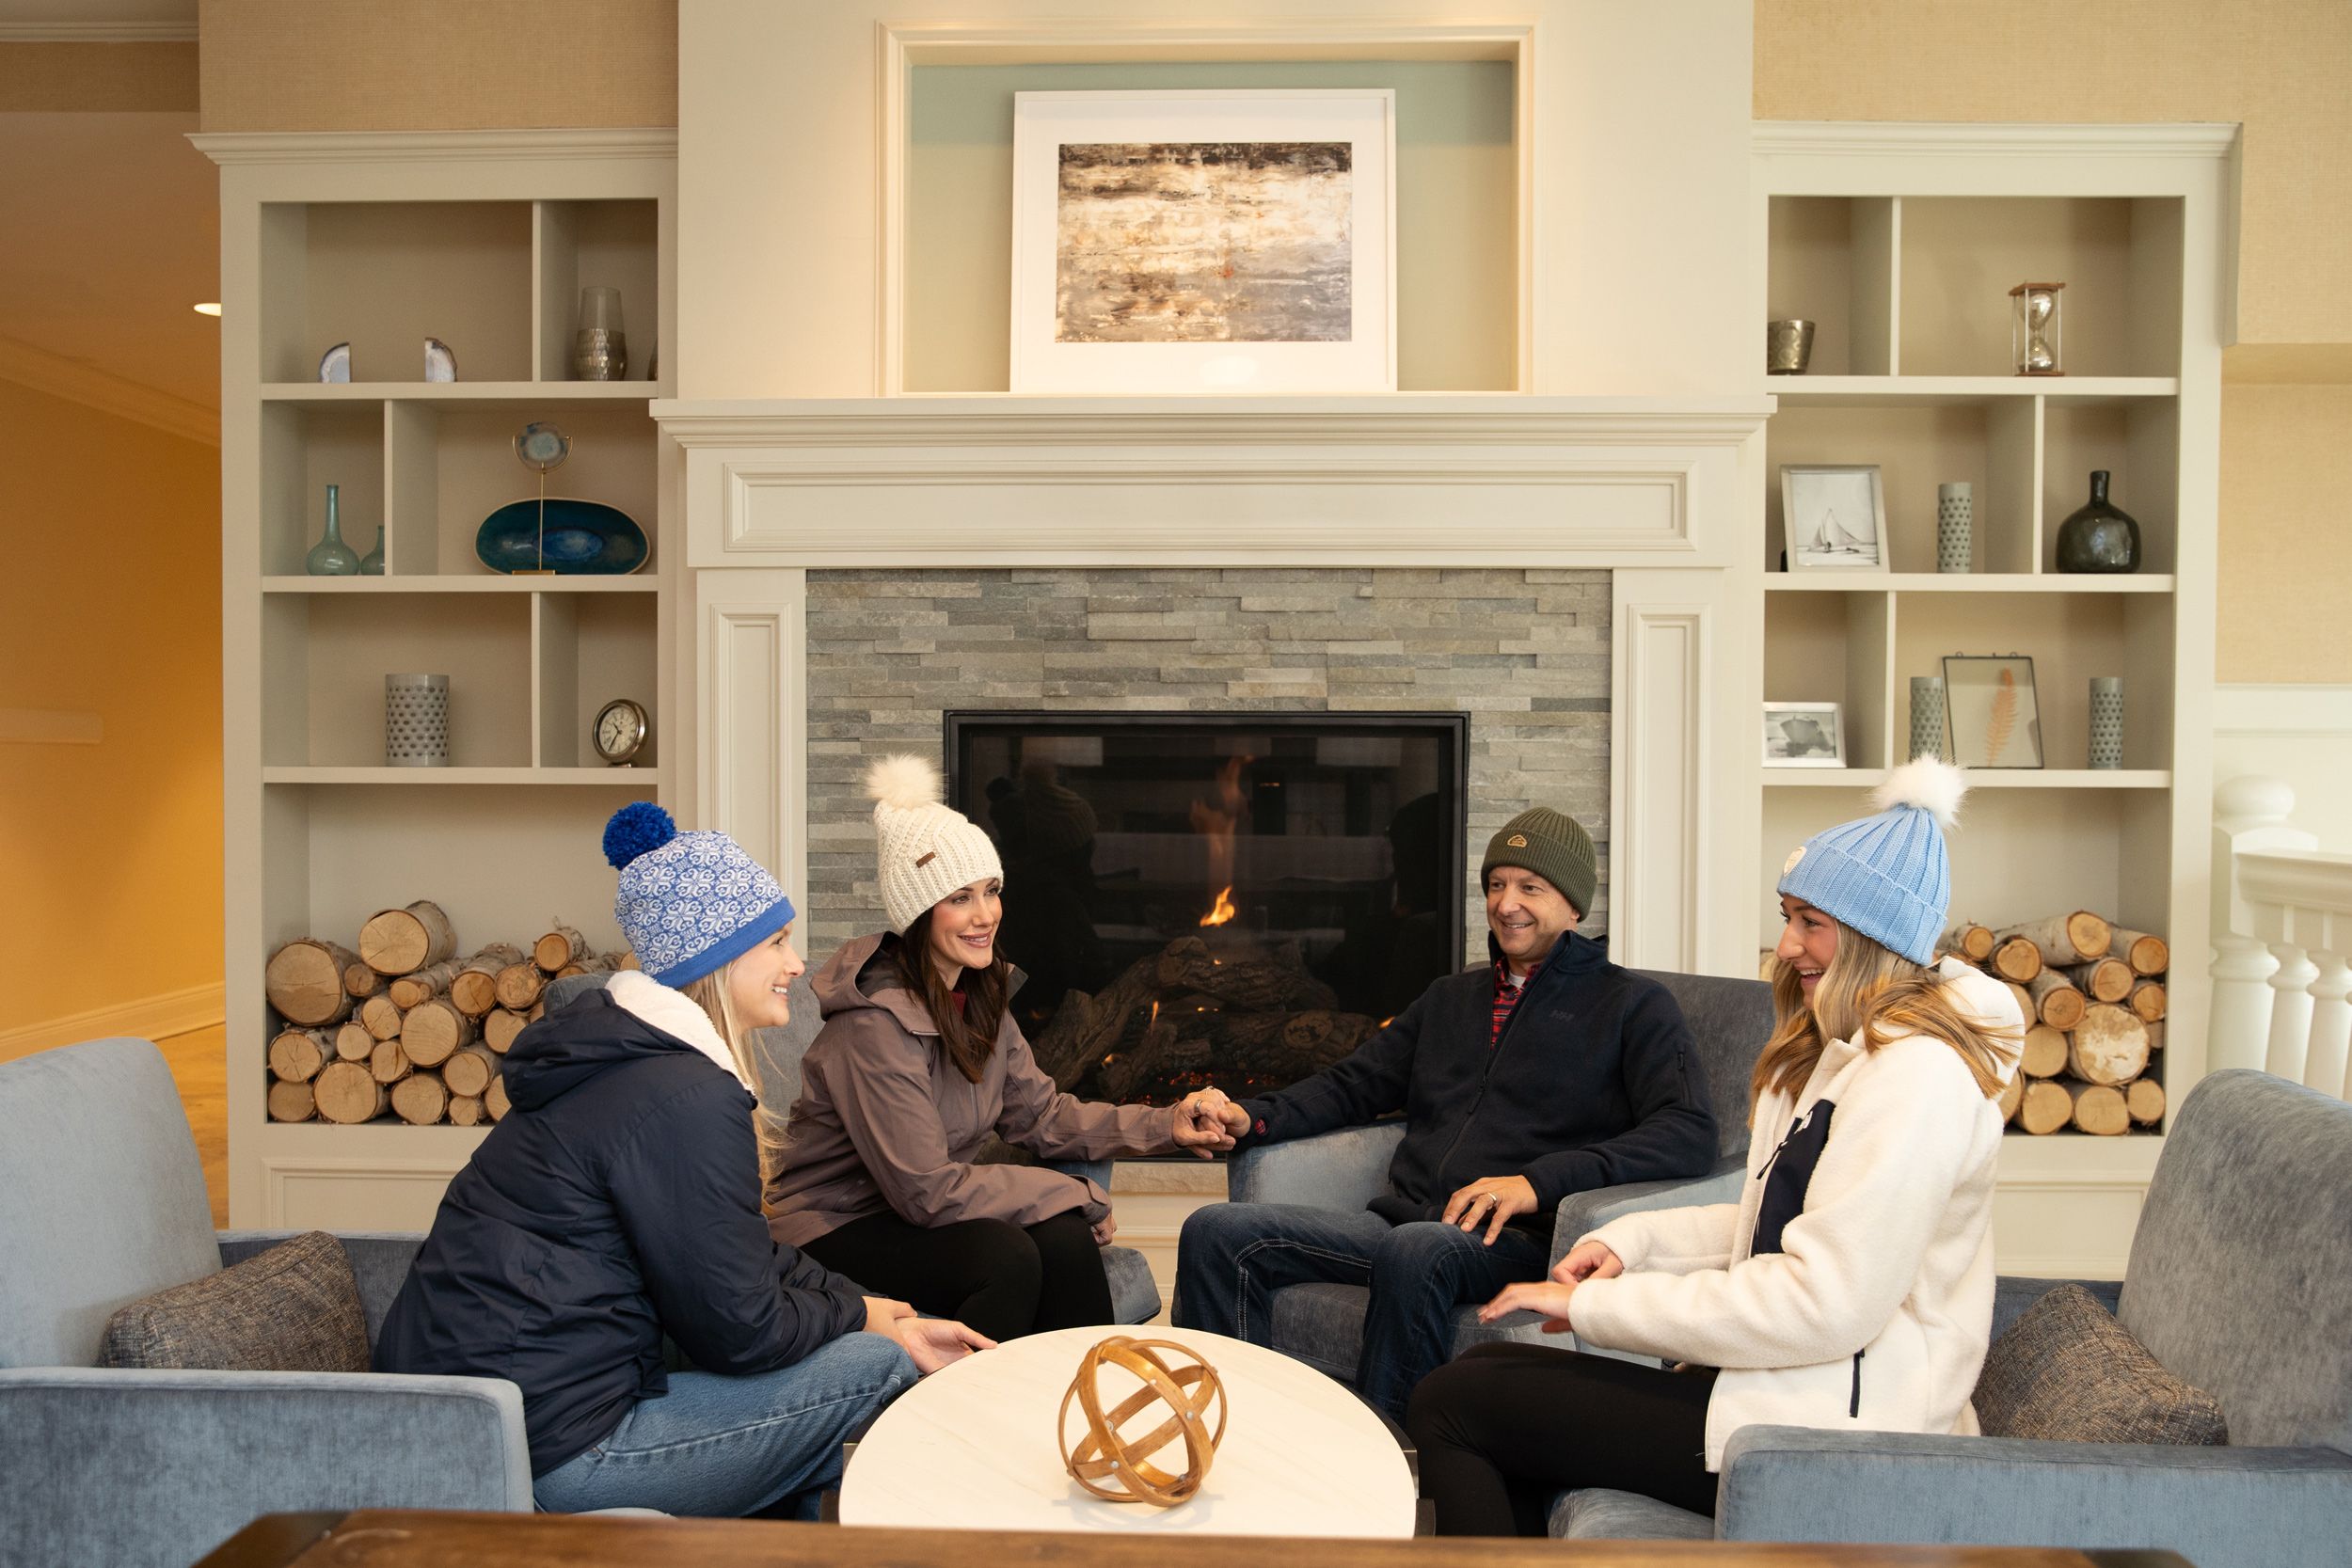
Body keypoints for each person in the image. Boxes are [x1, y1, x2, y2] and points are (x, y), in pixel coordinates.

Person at [1406, 758, 2024, 1536]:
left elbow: (1820, 1304)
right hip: (1795, 1387)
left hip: (1840, 1432)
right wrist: (1633, 1244)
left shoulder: (1918, 1079)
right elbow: (1771, 1223)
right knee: (1481, 1370)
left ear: (1871, 937)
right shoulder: (1846, 1056)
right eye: (1786, 915)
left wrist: (1600, 1306)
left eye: (1810, 922)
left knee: (1452, 1404)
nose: (1786, 943)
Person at [374, 802, 993, 1517]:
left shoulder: (630, 1061)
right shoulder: (685, 1096)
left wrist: (878, 1307)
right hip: (552, 1451)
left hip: (484, 1416)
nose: (797, 963)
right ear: (718, 957)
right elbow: (741, 1328)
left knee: (854, 1360)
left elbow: (737, 1255)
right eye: (777, 942)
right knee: (871, 1366)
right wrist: (865, 1325)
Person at [1172, 801, 1719, 1420]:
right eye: (1495, 884)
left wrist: (1537, 1182)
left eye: (1529, 886)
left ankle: (1395, 1466)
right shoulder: (1450, 997)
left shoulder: (1631, 1005)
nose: (1505, 902)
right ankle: (1230, 1433)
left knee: (1419, 1249)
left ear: (1573, 905)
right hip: (1403, 1224)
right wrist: (1253, 1116)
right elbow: (1355, 1083)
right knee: (1216, 1231)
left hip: (1516, 1240)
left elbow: (1688, 1131)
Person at [767, 755, 1235, 1340]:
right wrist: (1074, 1192)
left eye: (991, 891)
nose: (985, 915)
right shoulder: (873, 1029)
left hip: (904, 1208)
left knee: (1061, 1242)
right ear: (918, 913)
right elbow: (927, 1192)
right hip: (834, 1223)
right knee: (1007, 1259)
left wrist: (1168, 1124)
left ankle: (1082, 1408)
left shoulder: (976, 997)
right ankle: (947, 1420)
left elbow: (1042, 1114)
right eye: (959, 897)